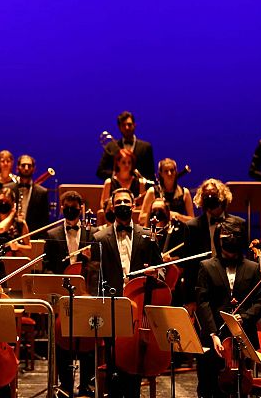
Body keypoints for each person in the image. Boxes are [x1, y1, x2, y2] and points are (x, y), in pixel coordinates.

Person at [89, 188, 162, 398]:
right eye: (118, 201)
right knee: (113, 364)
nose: (122, 204)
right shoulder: (99, 237)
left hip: (139, 310)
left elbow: (162, 272)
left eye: (126, 201)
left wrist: (155, 273)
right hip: (112, 308)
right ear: (112, 207)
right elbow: (94, 277)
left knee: (134, 365)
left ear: (134, 206)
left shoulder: (148, 236)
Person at [195, 217, 261, 398]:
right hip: (214, 339)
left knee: (241, 391)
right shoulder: (206, 266)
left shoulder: (252, 268)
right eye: (225, 236)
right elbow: (203, 302)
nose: (229, 240)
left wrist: (244, 316)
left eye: (234, 236)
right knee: (209, 388)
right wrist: (213, 334)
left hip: (243, 341)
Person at [43, 191, 95, 397]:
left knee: (88, 341)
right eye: (67, 206)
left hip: (86, 295)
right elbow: (46, 268)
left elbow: (100, 265)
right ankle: (65, 386)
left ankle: (86, 385)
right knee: (62, 343)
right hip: (63, 295)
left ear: (81, 208)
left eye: (74, 206)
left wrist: (90, 260)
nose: (71, 210)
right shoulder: (52, 235)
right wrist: (60, 275)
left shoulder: (93, 234)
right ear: (62, 208)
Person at [183, 179, 246, 307]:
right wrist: (190, 300)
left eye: (214, 195)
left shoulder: (239, 224)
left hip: (231, 283)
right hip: (203, 286)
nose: (210, 199)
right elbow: (189, 267)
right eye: (206, 196)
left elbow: (243, 259)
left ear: (222, 197)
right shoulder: (192, 227)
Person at [96, 111, 155, 181]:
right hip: (116, 189)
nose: (127, 128)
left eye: (129, 124)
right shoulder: (111, 146)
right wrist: (119, 175)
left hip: (140, 189)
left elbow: (150, 174)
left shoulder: (146, 147)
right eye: (123, 125)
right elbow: (100, 172)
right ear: (119, 127)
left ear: (134, 125)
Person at [138, 158, 195, 225]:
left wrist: (178, 216)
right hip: (157, 231)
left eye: (172, 170)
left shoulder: (185, 192)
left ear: (176, 172)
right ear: (161, 173)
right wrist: (160, 214)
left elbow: (192, 220)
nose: (169, 174)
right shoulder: (152, 192)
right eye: (166, 171)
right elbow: (141, 219)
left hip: (179, 232)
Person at [0, 188, 31, 256]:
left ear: (13, 204)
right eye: (1, 200)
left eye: (7, 201)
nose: (3, 203)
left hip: (13, 262)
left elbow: (30, 249)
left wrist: (18, 247)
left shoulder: (20, 223)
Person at [13, 155, 50, 238]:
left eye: (29, 166)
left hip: (33, 237)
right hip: (10, 237)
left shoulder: (42, 192)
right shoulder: (8, 188)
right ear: (17, 167)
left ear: (34, 169)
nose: (26, 168)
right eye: (23, 165)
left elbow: (44, 221)